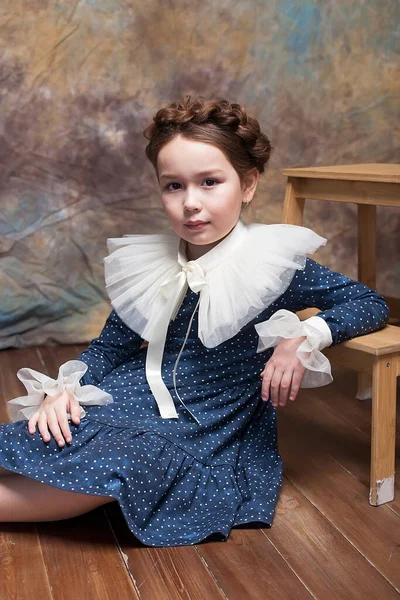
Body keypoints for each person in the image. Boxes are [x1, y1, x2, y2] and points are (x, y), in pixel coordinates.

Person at [0, 96, 389, 547]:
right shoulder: (152, 263)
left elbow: (368, 302)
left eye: (209, 182)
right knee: (50, 432)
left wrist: (305, 336)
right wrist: (63, 388)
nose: (190, 203)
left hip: (204, 419)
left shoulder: (273, 263)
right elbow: (111, 347)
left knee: (123, 462)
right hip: (130, 392)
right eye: (173, 186)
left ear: (247, 185)